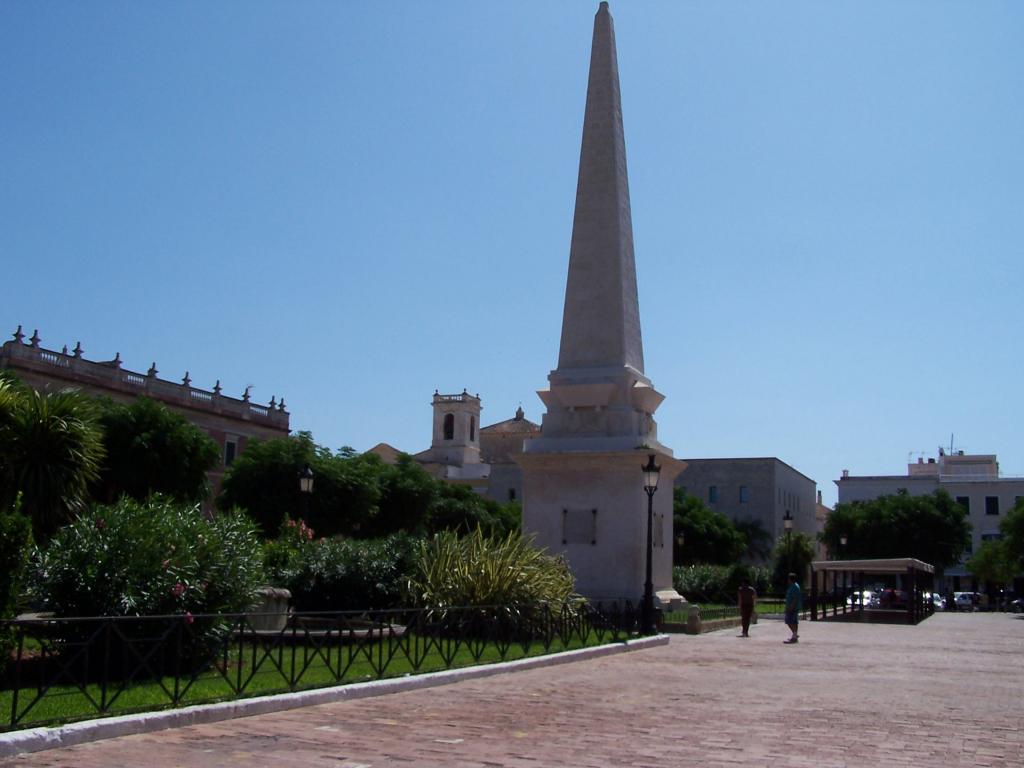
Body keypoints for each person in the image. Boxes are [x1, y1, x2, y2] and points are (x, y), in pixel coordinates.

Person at [784, 572, 801, 644]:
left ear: (790, 579)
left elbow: (795, 598)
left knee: (789, 621)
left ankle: (794, 634)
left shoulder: (794, 587)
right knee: (794, 621)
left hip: (792, 607)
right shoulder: (794, 586)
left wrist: (791, 607)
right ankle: (794, 635)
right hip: (793, 606)